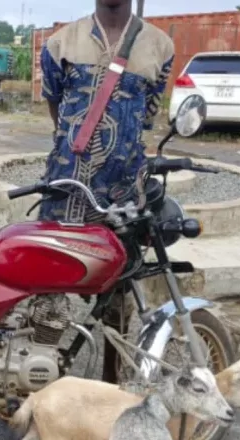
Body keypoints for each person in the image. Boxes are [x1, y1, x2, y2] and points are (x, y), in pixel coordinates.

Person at [39, 0, 175, 382]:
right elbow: (55, 106)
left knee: (119, 292)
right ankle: (40, 382)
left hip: (123, 194)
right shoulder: (60, 44)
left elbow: (146, 116)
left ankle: (110, 386)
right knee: (48, 291)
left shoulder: (160, 47)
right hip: (66, 189)